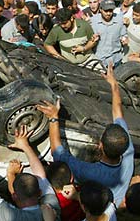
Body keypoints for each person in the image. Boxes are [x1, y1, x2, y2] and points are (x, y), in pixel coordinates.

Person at [37, 62, 134, 206]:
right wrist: (114, 85)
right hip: (116, 200)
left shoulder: (90, 172)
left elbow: (57, 153)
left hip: (103, 209)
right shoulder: (128, 149)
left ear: (100, 145)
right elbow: (118, 112)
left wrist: (53, 117)